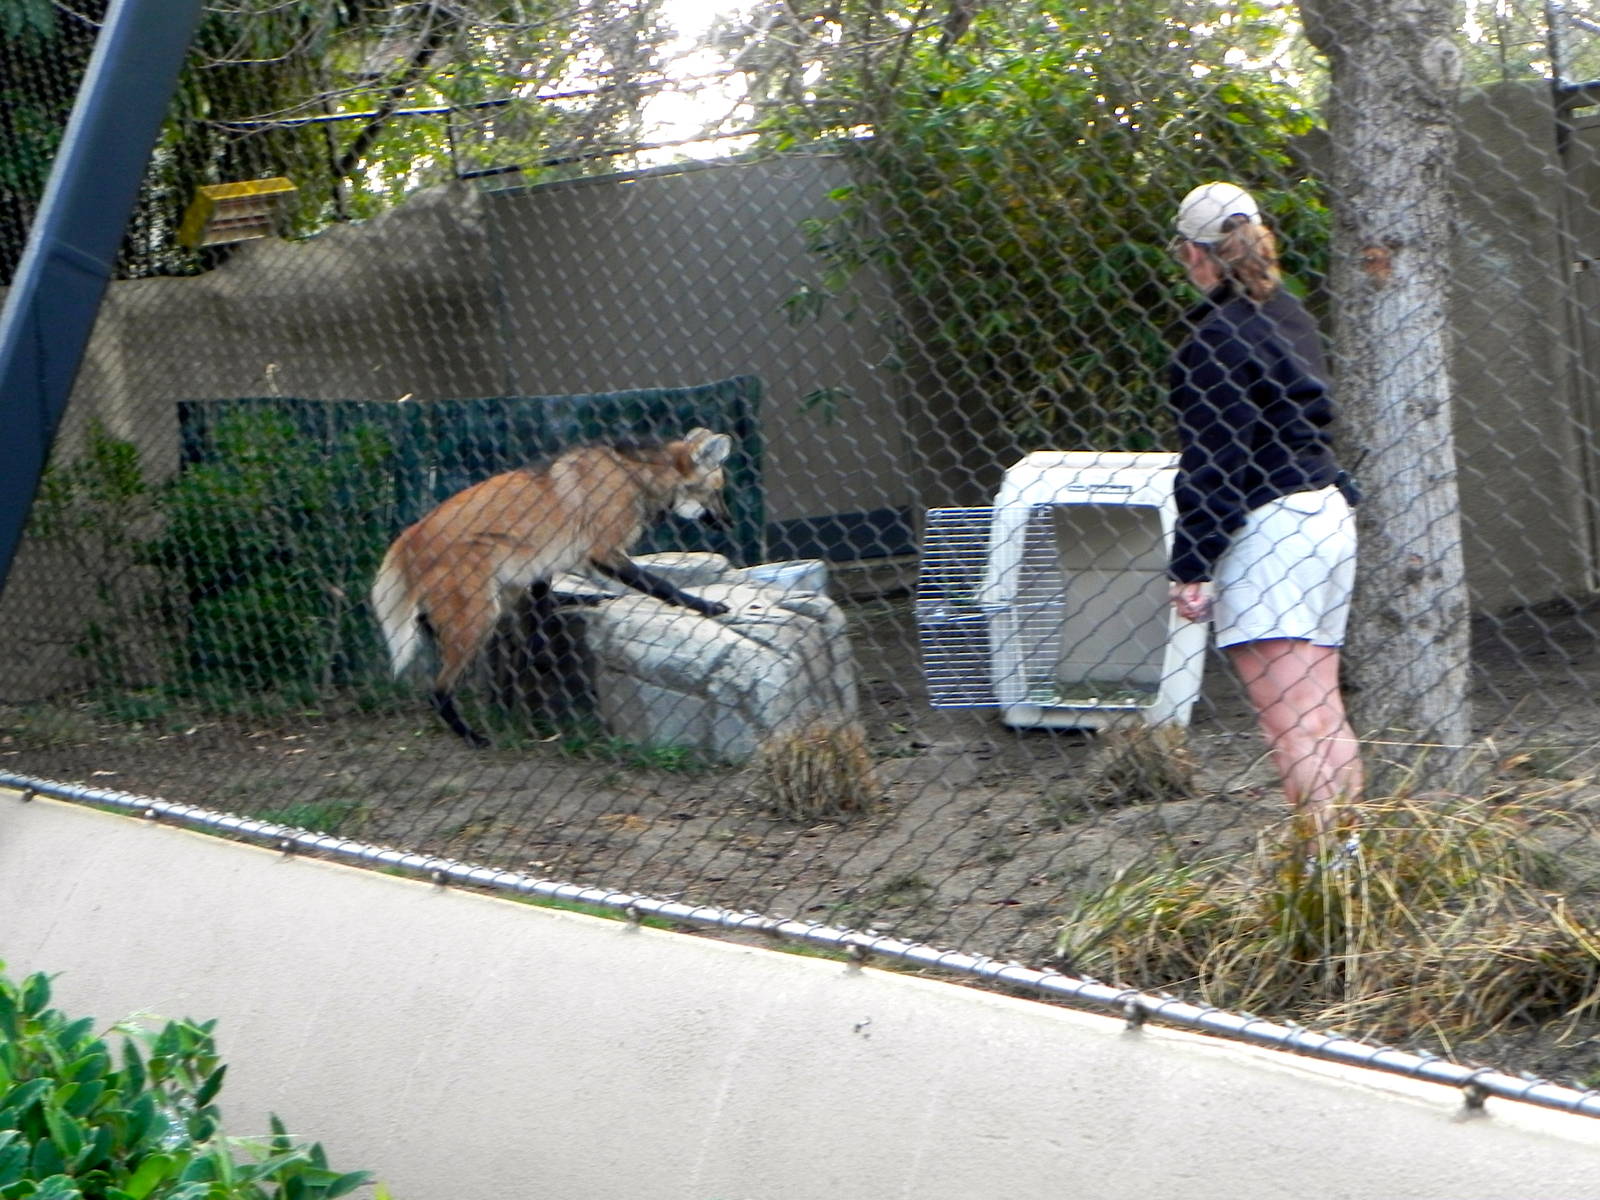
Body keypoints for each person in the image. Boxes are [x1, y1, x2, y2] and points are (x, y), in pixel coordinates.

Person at [1164, 181, 1363, 856]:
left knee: (1291, 724)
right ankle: (1350, 867)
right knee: (1322, 712)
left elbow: (1216, 460)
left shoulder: (1215, 339)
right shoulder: (1289, 314)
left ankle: (1323, 878)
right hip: (1326, 517)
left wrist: (1192, 563)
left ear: (1194, 254)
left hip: (1273, 530)